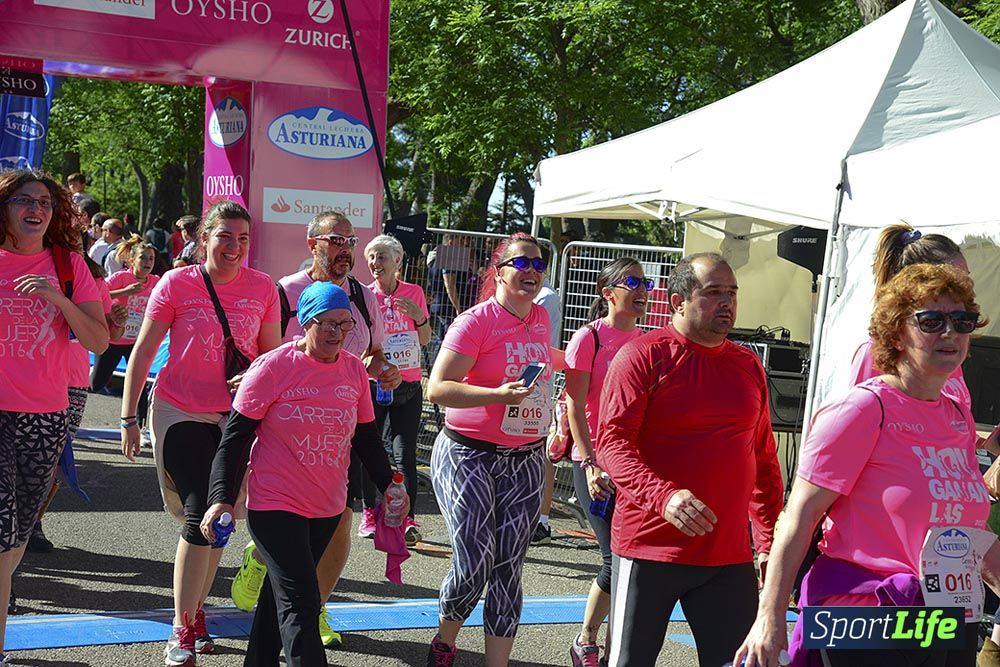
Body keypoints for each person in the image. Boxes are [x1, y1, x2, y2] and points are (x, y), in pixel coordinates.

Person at [735, 263, 998, 667]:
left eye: (961, 320)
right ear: (896, 335)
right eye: (932, 320)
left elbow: (963, 528)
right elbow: (799, 516)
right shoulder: (862, 409)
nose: (950, 332)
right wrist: (768, 617)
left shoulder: (955, 416)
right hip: (867, 612)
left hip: (945, 615)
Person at [200, 281, 407, 667]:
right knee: (302, 603)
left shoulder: (354, 373)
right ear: (306, 323)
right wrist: (220, 500)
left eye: (344, 325)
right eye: (325, 323)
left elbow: (366, 439)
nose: (335, 333)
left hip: (326, 506)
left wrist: (390, 484)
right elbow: (234, 440)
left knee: (278, 601)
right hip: (275, 504)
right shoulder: (273, 368)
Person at [596, 252, 784, 667]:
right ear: (677, 300)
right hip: (649, 549)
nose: (727, 303)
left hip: (728, 556)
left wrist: (769, 541)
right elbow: (612, 444)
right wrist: (664, 497)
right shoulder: (642, 356)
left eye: (732, 293)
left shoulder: (748, 365)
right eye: (713, 292)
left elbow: (763, 461)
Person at [119, 200, 281, 667]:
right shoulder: (177, 282)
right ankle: (181, 627)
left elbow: (269, 358)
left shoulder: (262, 288)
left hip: (235, 418)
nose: (234, 247)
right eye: (225, 237)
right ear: (204, 238)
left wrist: (252, 376)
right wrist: (128, 417)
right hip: (179, 410)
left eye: (243, 239)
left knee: (221, 518)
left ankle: (196, 613)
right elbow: (144, 353)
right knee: (199, 510)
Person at [231, 210, 400, 649]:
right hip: (283, 446)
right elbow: (263, 356)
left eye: (350, 241)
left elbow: (376, 353)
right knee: (294, 581)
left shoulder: (363, 298)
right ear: (313, 245)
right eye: (336, 241)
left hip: (338, 437)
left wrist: (384, 371)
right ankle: (300, 602)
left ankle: (311, 605)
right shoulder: (286, 292)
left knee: (336, 529)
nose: (345, 249)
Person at [425, 232, 555, 667]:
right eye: (522, 264)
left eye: (539, 264)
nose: (532, 272)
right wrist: (498, 395)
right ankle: (445, 639)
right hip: (468, 455)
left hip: (525, 458)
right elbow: (437, 388)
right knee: (474, 562)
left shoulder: (539, 319)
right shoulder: (475, 322)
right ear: (499, 271)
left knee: (508, 567)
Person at [0, 169, 109, 661]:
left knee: (19, 531)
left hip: (45, 414)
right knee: (1, 530)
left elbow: (98, 341)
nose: (35, 208)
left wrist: (57, 297)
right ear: (4, 208)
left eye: (44, 201)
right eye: (23, 200)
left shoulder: (68, 265)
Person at [564, 258, 649, 666]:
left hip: (632, 464)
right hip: (594, 461)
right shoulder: (589, 339)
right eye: (631, 281)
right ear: (608, 292)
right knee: (612, 557)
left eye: (645, 282)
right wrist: (590, 463)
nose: (642, 289)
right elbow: (575, 405)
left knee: (628, 559)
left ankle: (613, 647)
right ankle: (589, 638)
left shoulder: (648, 342)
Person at [363, 234, 431, 546]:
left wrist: (419, 317)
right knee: (370, 450)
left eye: (381, 257)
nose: (375, 263)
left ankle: (408, 518)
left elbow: (427, 338)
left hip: (408, 383)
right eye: (372, 257)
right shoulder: (365, 295)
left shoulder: (414, 292)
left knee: (405, 454)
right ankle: (369, 513)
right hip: (375, 383)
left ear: (397, 262)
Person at [90, 236, 159, 401]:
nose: (147, 262)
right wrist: (125, 292)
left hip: (136, 342)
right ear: (132, 260)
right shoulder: (121, 278)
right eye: (142, 257)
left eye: (151, 258)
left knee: (139, 384)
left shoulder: (156, 282)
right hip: (114, 339)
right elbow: (97, 295)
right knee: (97, 384)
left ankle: (139, 423)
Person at [530, 243, 563, 547]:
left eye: (534, 264)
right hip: (516, 386)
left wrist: (525, 381)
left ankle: (542, 520)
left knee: (542, 454)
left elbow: (544, 348)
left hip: (535, 387)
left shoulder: (547, 298)